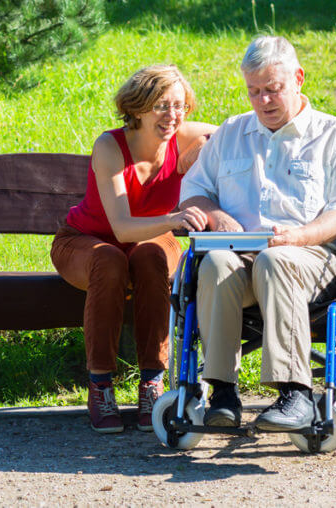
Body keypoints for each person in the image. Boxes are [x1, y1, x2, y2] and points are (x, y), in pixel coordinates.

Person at [176, 35, 336, 431]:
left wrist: (300, 236)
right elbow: (192, 194)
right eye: (254, 91)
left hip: (311, 258)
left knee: (276, 258)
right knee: (214, 263)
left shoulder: (333, 135)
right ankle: (222, 392)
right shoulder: (232, 133)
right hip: (239, 256)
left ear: (298, 78)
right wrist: (214, 215)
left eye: (273, 90)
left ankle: (295, 393)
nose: (263, 101)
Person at [51, 65, 216, 433]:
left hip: (151, 240)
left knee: (151, 255)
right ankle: (100, 385)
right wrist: (174, 218)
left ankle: (152, 383)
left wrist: (203, 151)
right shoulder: (109, 146)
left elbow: (240, 135)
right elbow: (122, 229)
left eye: (179, 106)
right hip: (86, 241)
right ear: (137, 107)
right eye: (160, 106)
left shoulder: (185, 135)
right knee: (110, 259)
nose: (172, 116)